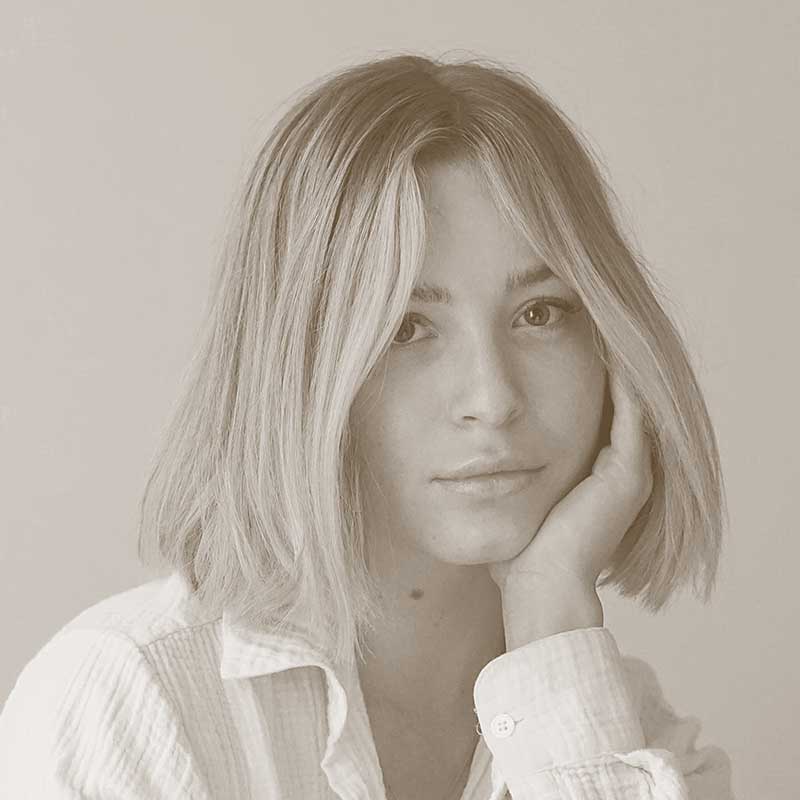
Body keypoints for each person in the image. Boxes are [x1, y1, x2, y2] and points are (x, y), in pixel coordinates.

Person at [0, 53, 735, 799]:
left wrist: (552, 626)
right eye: (406, 328)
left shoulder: (621, 729)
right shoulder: (130, 698)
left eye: (540, 314)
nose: (492, 398)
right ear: (295, 368)